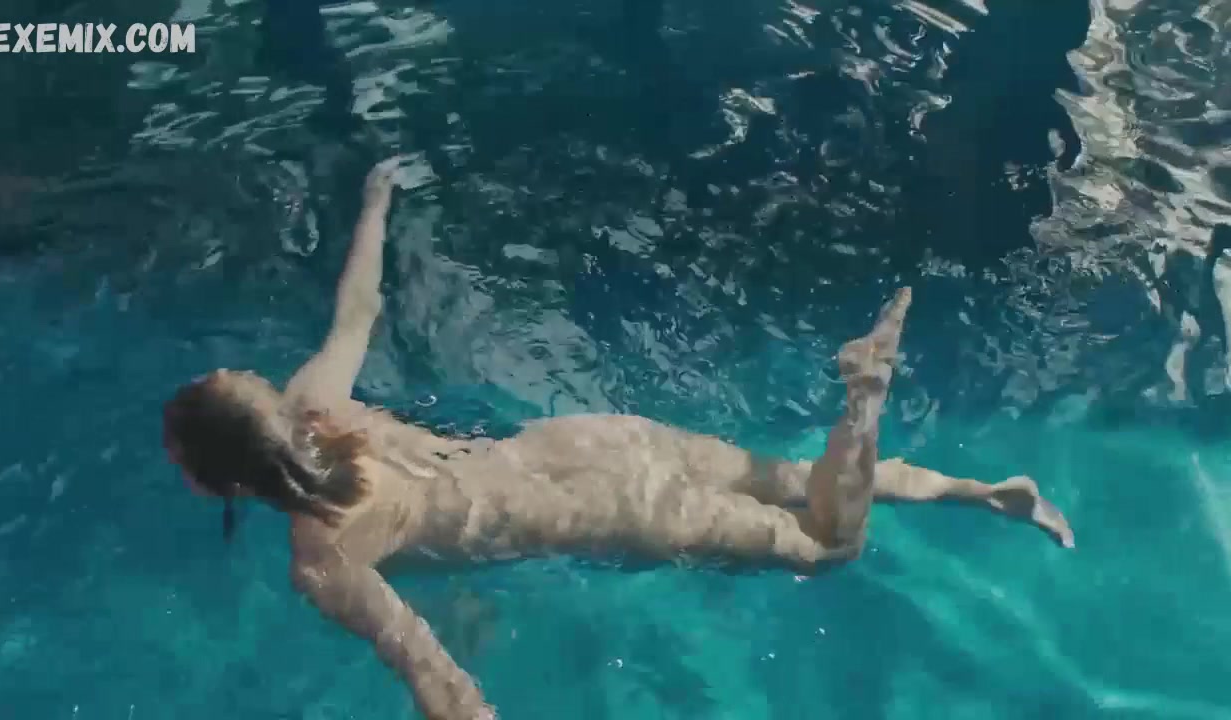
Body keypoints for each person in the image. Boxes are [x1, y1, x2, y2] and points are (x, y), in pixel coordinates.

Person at [162, 160, 1075, 720]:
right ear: (273, 410)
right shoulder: (318, 399)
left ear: (218, 485)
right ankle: (990, 493)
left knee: (829, 547)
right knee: (801, 479)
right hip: (585, 441)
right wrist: (375, 200)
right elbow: (358, 307)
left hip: (595, 508)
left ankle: (864, 397)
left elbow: (435, 678)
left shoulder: (324, 561)